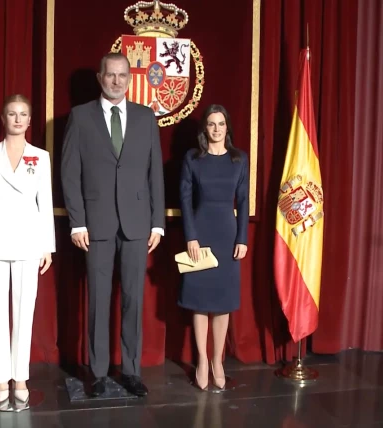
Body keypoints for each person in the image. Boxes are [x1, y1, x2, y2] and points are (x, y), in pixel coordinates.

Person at [61, 52, 165, 397]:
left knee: (134, 300)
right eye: (110, 75)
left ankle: (131, 371)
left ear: (129, 78)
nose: (116, 81)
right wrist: (77, 223)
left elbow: (156, 174)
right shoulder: (79, 117)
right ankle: (99, 373)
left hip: (137, 225)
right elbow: (69, 173)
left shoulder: (145, 117)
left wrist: (158, 223)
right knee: (98, 300)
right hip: (96, 224)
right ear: (100, 77)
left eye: (122, 75)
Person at [0, 94, 55, 411]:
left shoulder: (40, 157)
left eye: (23, 114)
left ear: (30, 121)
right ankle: (0, 376)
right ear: (3, 119)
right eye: (12, 114)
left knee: (24, 311)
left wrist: (48, 245)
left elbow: (44, 202)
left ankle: (20, 376)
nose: (18, 119)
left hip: (29, 240)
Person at [178, 104, 249, 390]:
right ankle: (201, 360)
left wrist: (242, 238)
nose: (217, 129)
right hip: (200, 232)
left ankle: (218, 359)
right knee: (199, 301)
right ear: (204, 128)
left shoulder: (239, 159)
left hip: (228, 234)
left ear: (227, 127)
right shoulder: (193, 158)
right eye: (211, 124)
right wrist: (190, 236)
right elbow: (184, 198)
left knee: (222, 302)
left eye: (221, 124)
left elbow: (243, 201)